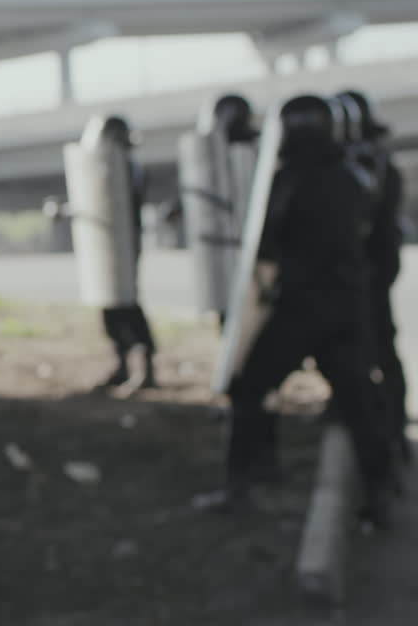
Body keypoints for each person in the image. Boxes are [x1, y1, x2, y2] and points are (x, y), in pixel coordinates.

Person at [193, 95, 394, 525]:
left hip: (303, 307)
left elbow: (265, 247)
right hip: (348, 308)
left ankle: (243, 484)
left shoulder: (288, 181)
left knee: (247, 390)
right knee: (359, 403)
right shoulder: (353, 176)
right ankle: (381, 496)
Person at [338, 89, 409, 464]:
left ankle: (390, 434)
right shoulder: (370, 161)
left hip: (367, 273)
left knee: (375, 353)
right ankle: (390, 432)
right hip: (367, 272)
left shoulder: (364, 163)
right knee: (372, 353)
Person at [92, 116, 159, 393]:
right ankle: (121, 366)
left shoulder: (130, 170)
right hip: (104, 246)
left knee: (128, 304)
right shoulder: (101, 170)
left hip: (124, 246)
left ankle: (147, 369)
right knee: (109, 306)